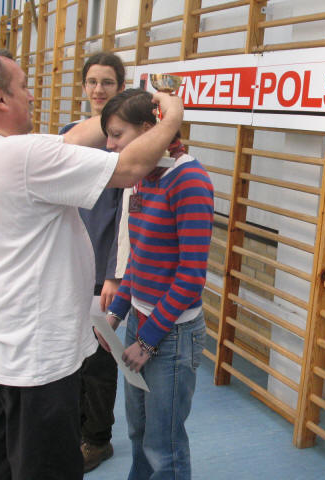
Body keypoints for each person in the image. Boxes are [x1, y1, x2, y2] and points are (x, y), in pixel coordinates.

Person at [0, 49, 183, 480]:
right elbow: (131, 166)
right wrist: (171, 119)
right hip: (33, 358)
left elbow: (72, 139)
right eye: (22, 87)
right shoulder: (21, 158)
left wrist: (130, 106)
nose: (31, 95)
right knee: (48, 468)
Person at [97, 89, 213, 480]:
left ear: (150, 130)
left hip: (173, 335)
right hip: (141, 323)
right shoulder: (141, 178)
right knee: (138, 432)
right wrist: (116, 313)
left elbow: (191, 278)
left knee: (164, 445)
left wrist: (147, 341)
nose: (110, 145)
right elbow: (140, 258)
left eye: (117, 135)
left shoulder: (189, 181)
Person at [59, 51, 125, 472]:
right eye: (93, 82)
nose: (99, 89)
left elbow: (126, 215)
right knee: (69, 353)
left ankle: (98, 439)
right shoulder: (69, 136)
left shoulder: (126, 143)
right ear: (84, 86)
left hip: (103, 273)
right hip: (68, 266)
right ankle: (76, 430)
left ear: (121, 88)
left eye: (108, 82)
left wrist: (114, 275)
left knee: (99, 358)